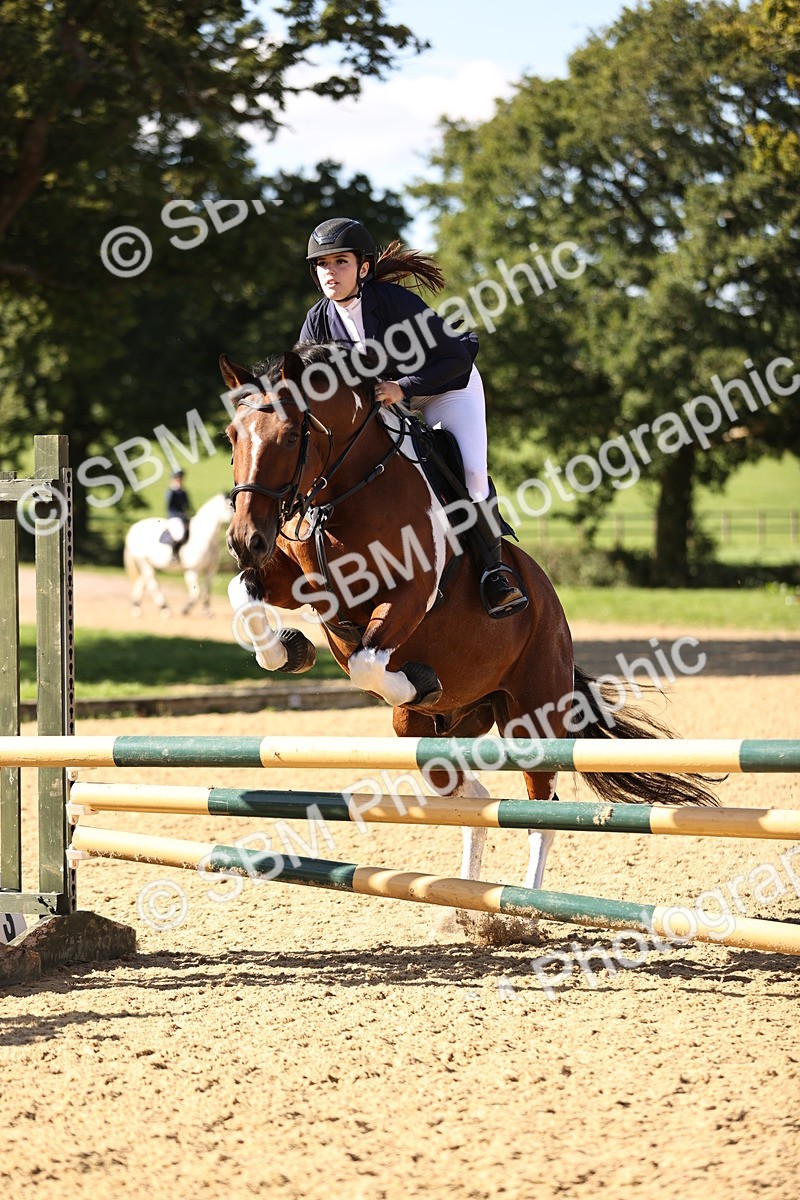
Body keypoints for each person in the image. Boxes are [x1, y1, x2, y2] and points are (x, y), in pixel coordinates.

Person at [299, 216, 528, 619]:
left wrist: (402, 388)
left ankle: (496, 573)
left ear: (363, 267)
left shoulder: (395, 303)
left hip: (446, 387)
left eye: (340, 262)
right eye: (322, 265)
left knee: (470, 473)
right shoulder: (318, 320)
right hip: (387, 402)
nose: (330, 273)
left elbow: (454, 359)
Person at [165, 468, 191, 560]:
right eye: (177, 478)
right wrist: (180, 514)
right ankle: (174, 554)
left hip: (184, 517)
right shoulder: (172, 491)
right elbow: (169, 506)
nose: (179, 480)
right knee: (179, 534)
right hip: (174, 517)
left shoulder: (183, 491)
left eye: (180, 478)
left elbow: (188, 505)